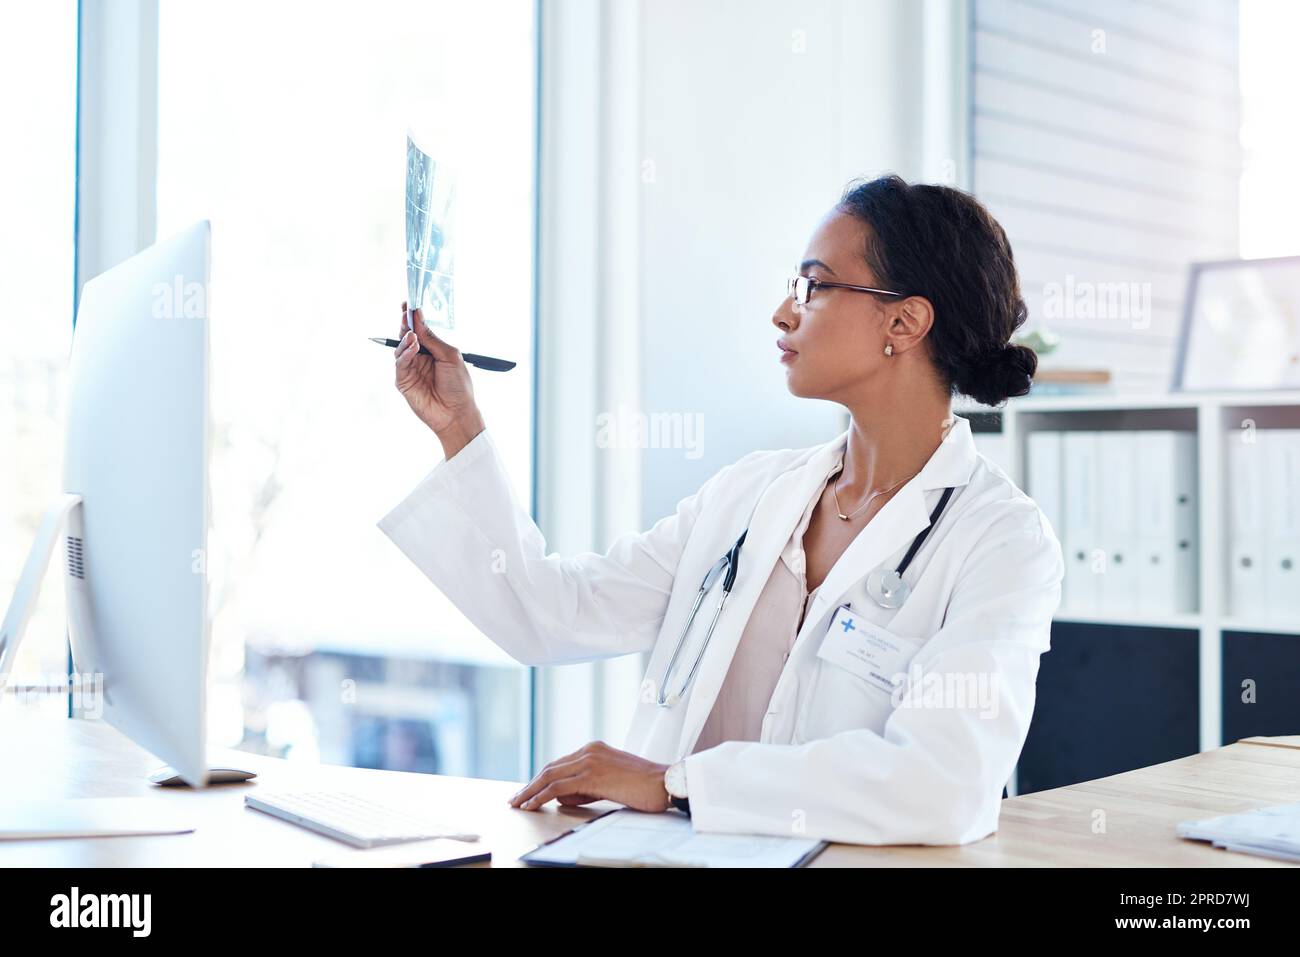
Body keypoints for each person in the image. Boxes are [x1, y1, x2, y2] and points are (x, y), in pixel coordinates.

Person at [378, 174, 1063, 846]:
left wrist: (677, 783)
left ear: (905, 321)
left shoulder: (1001, 540)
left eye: (814, 285)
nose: (784, 311)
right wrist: (458, 427)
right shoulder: (751, 493)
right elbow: (549, 613)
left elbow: (940, 784)